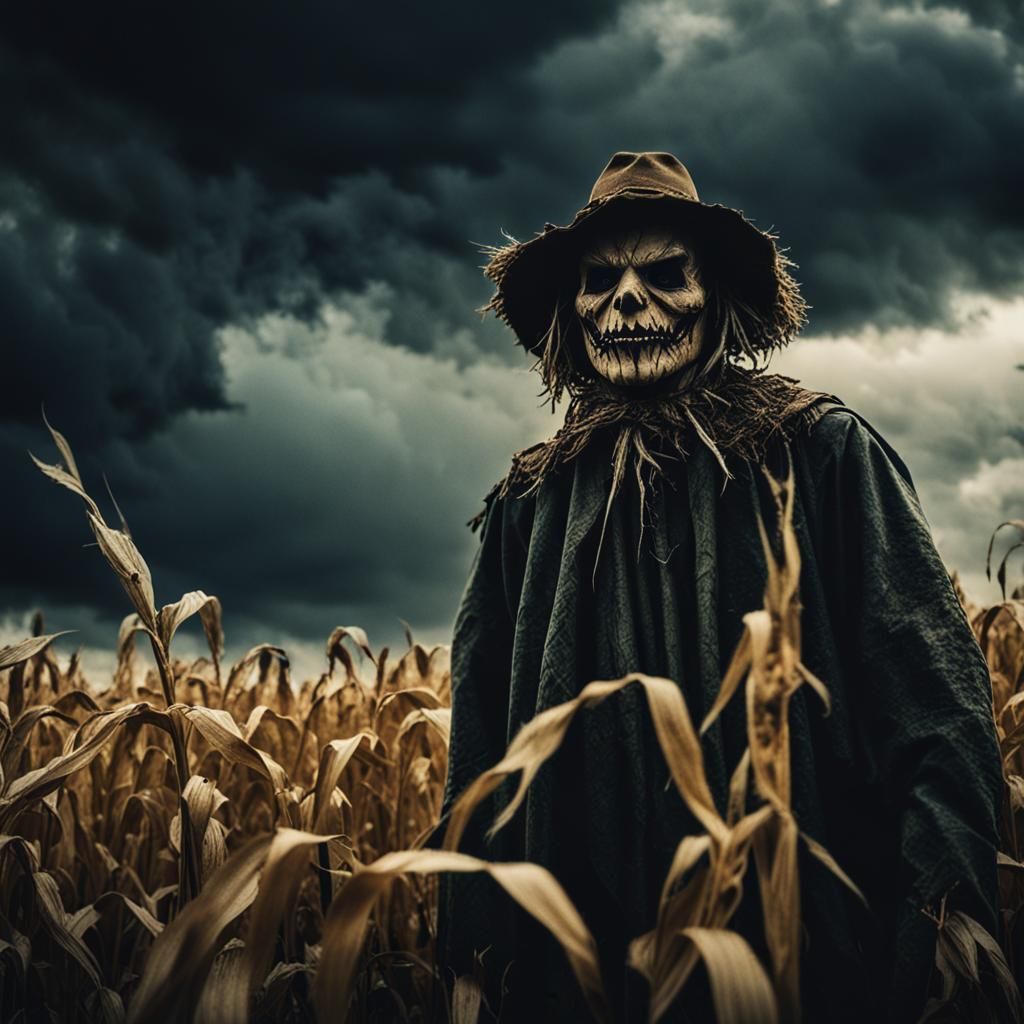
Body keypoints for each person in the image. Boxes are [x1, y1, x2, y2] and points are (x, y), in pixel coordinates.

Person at [434, 152, 1003, 1023]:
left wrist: (944, 936)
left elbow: (935, 710)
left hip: (812, 966)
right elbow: (479, 748)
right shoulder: (529, 506)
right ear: (570, 310)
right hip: (586, 975)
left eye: (664, 275)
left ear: (717, 296)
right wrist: (477, 963)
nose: (628, 301)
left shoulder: (820, 454)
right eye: (600, 281)